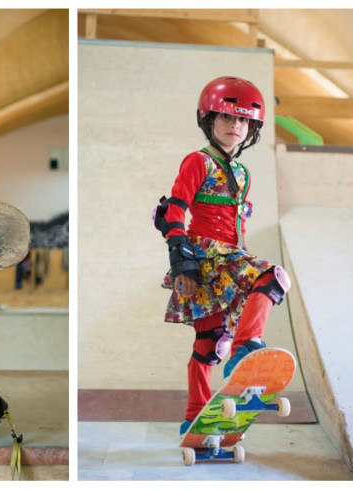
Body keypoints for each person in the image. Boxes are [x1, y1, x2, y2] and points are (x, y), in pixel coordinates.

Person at [153, 76, 292, 437]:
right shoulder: (198, 161)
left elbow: (237, 223)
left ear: (252, 128)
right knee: (273, 277)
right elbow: (175, 210)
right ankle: (245, 347)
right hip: (205, 258)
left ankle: (194, 414)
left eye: (243, 120)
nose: (236, 126)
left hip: (231, 257)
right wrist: (180, 258)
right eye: (227, 118)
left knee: (209, 344)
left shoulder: (243, 173)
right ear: (208, 120)